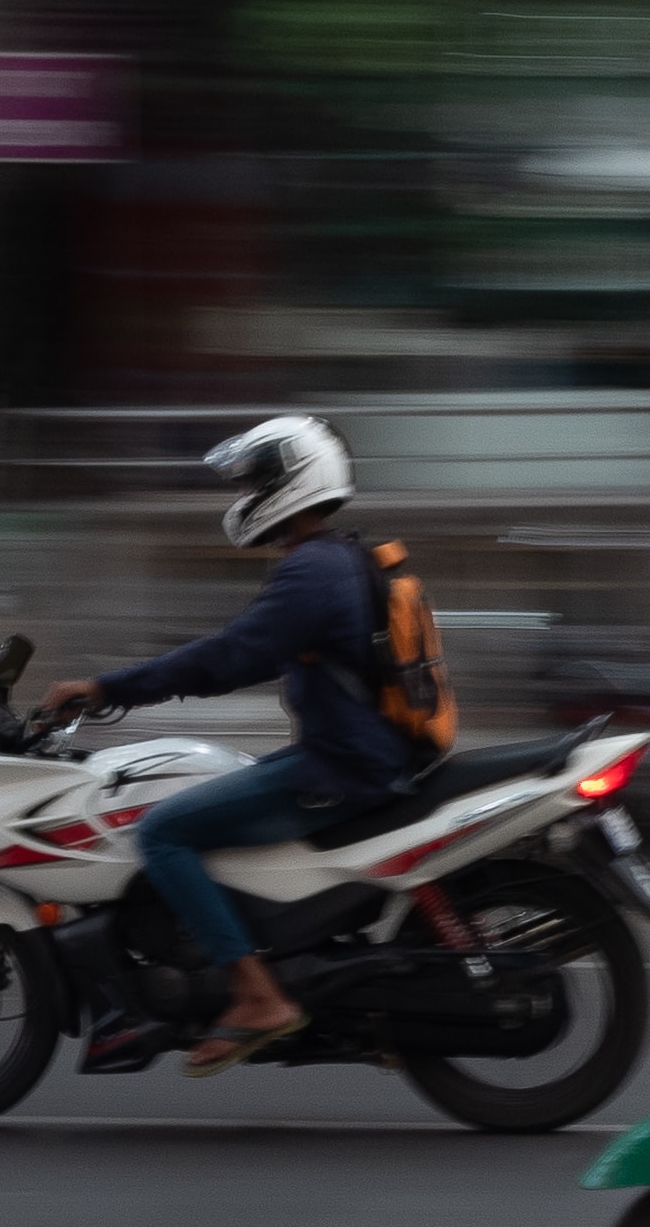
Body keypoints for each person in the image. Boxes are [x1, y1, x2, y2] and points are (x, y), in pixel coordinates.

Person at [42, 414, 431, 1073]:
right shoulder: (340, 558)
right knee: (214, 794)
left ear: (292, 484)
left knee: (163, 830)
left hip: (341, 768)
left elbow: (228, 658)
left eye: (256, 483)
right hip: (357, 755)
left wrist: (108, 689)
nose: (245, 498)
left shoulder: (311, 571)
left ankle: (256, 996)